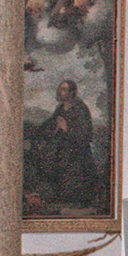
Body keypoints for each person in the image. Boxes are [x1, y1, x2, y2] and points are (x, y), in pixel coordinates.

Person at [25, 79, 101, 210]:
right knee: (37, 157)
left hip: (76, 153)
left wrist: (66, 128)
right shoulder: (60, 109)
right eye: (60, 89)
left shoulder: (80, 109)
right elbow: (48, 126)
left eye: (64, 89)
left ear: (72, 92)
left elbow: (86, 135)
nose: (60, 91)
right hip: (60, 149)